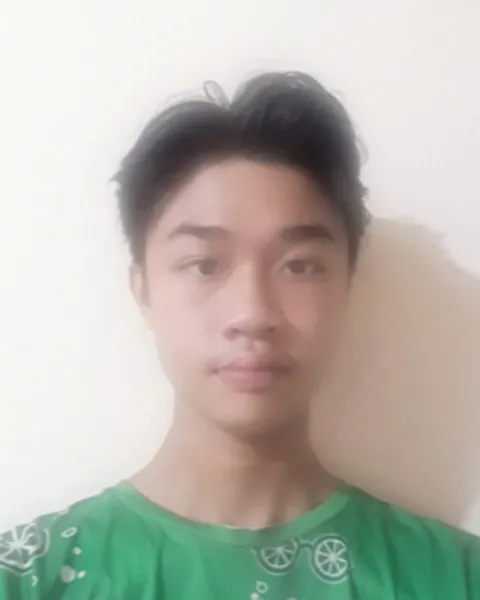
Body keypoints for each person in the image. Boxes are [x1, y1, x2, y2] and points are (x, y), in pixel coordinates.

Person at [0, 71, 478, 599]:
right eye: (204, 265)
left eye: (299, 266)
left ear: (347, 285)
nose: (252, 313)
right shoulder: (26, 580)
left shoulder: (455, 578)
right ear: (143, 290)